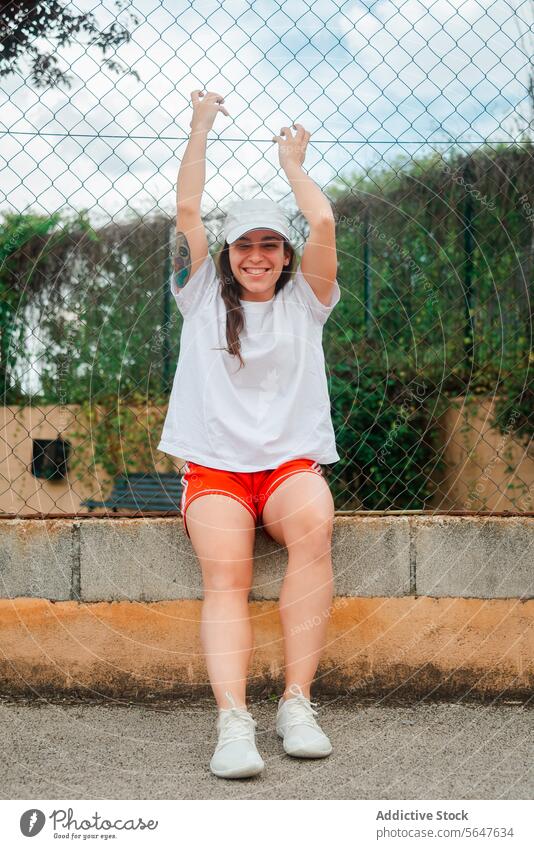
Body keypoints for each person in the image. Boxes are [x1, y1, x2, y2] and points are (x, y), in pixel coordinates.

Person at [157, 90, 341, 779]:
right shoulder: (199, 292)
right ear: (229, 251)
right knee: (226, 573)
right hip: (216, 474)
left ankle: (297, 703)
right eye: (245, 243)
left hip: (289, 468)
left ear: (286, 253)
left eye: (270, 243)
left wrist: (292, 163)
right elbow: (184, 211)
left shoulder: (308, 299)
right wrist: (200, 126)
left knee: (314, 526)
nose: (257, 255)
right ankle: (233, 720)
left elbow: (322, 216)